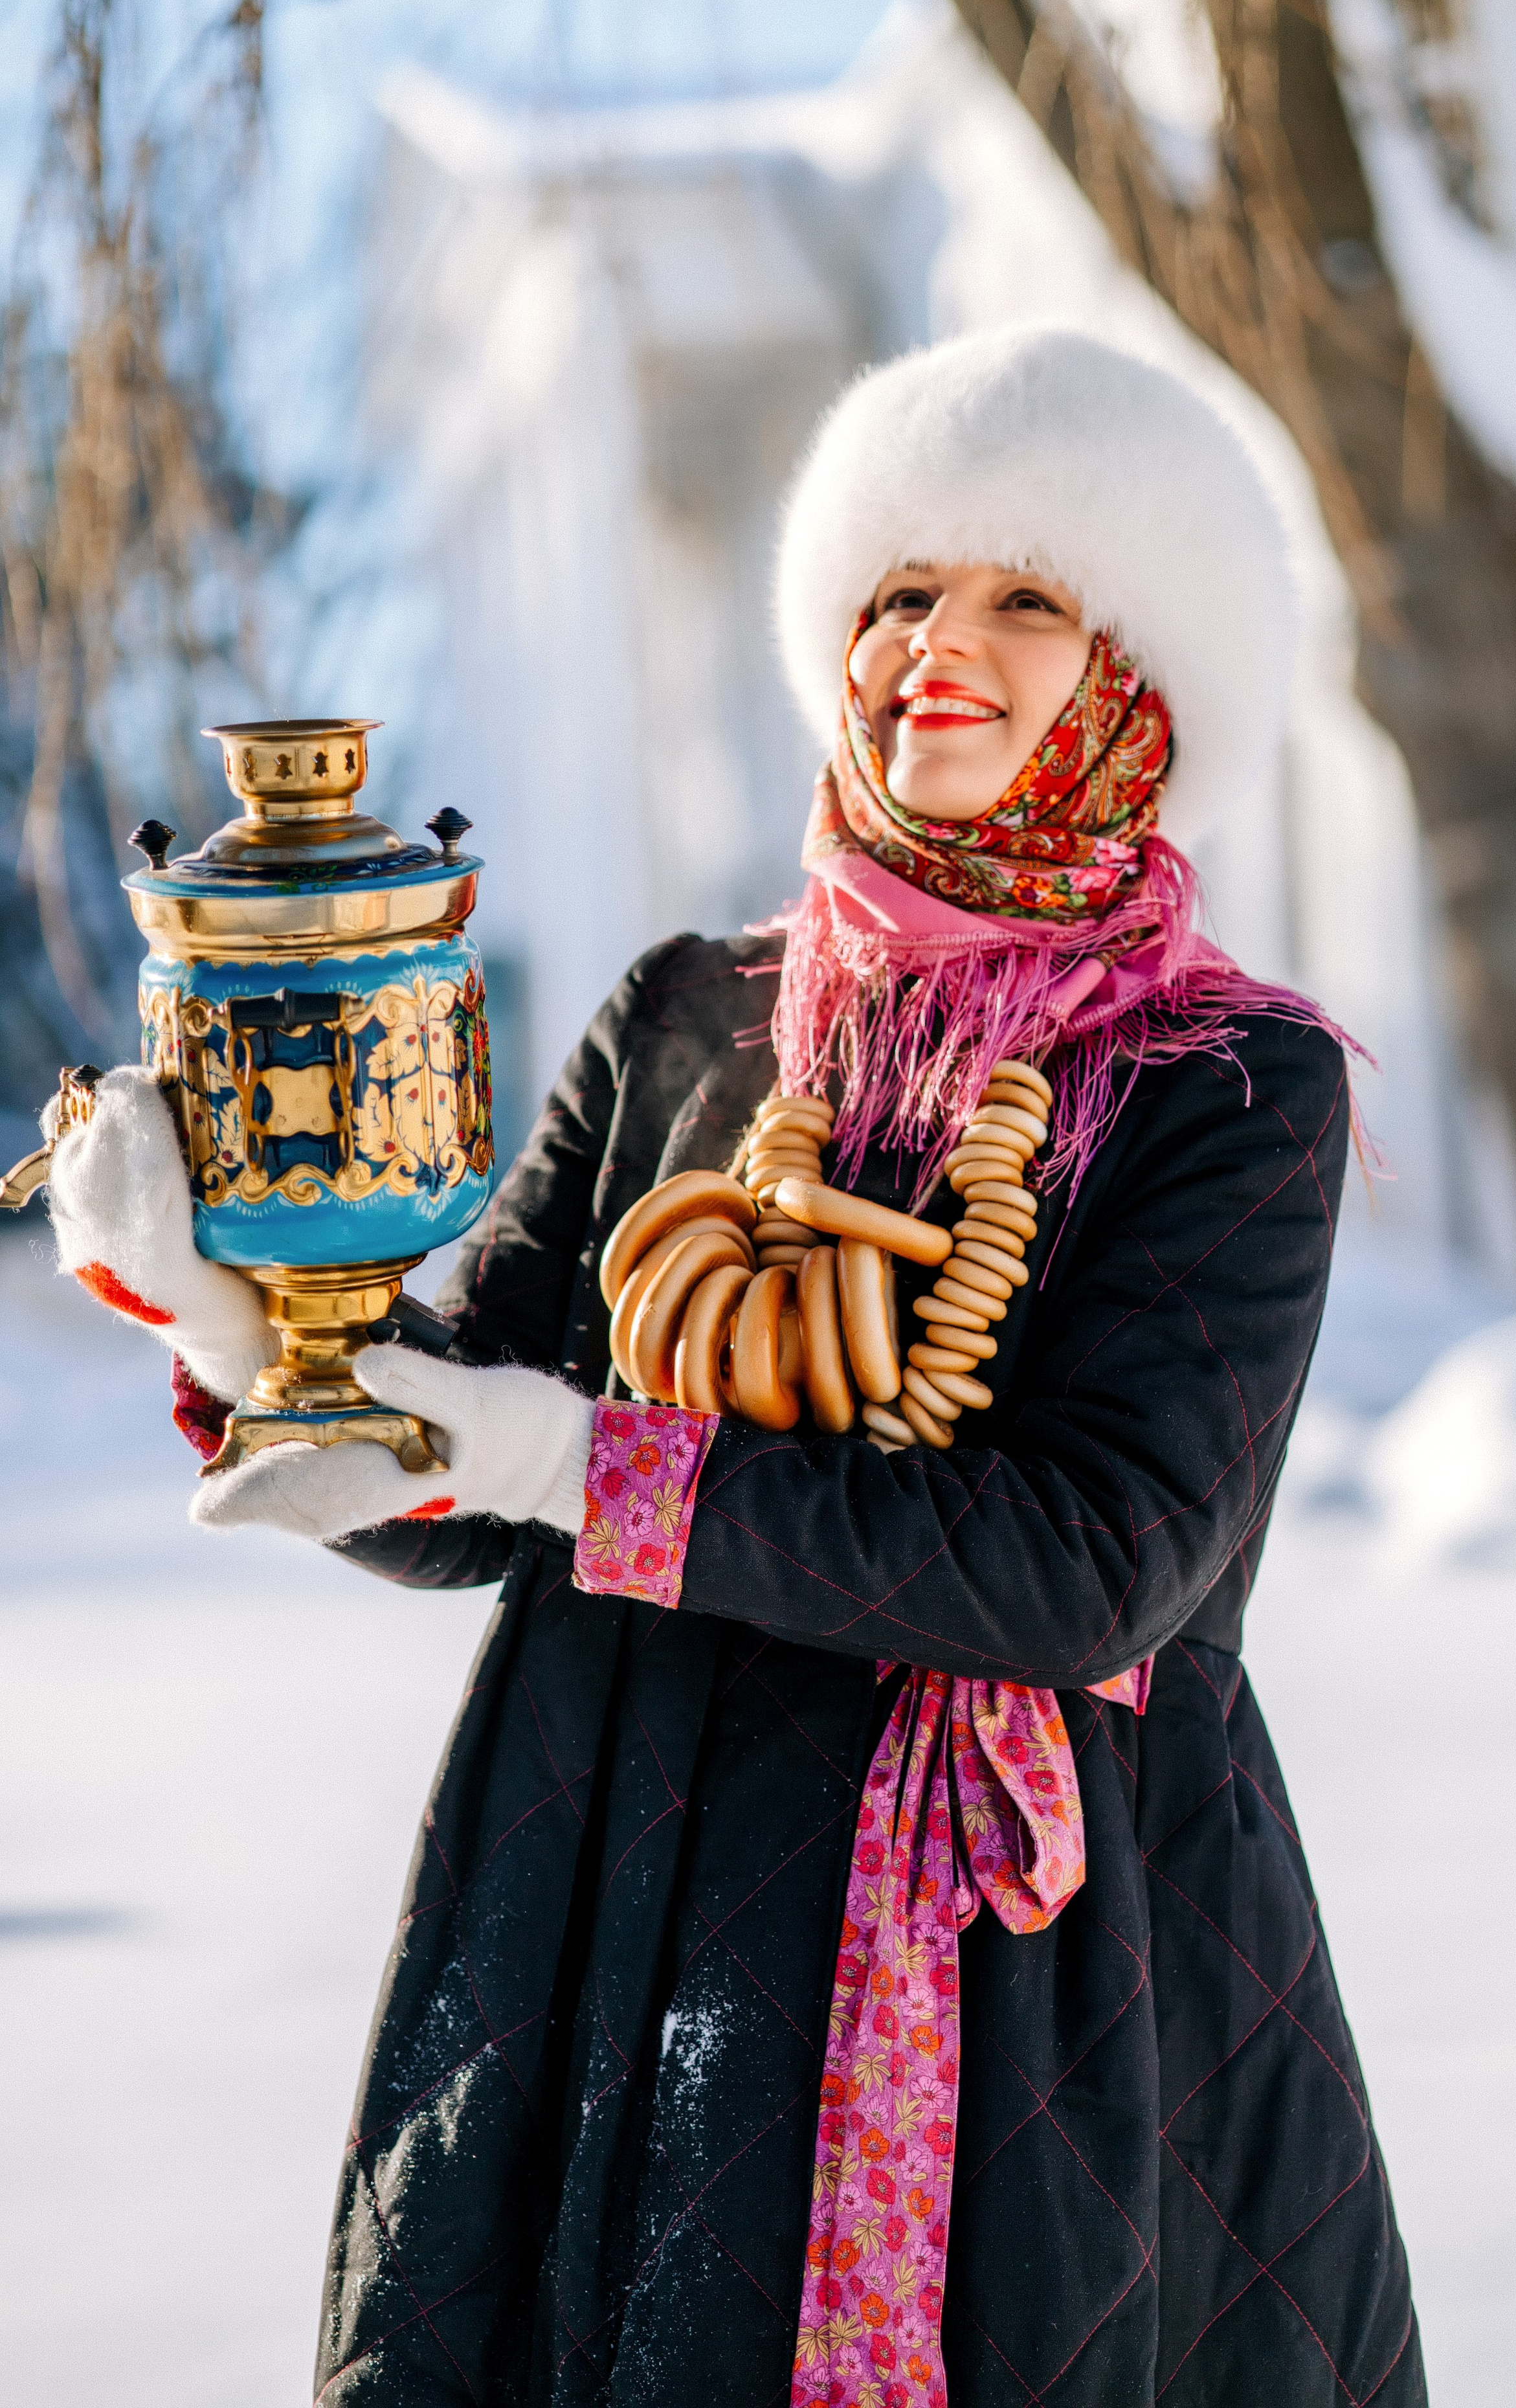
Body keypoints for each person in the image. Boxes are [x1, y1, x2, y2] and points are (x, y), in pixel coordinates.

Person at [47, 326, 1425, 2407]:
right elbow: (465, 1476)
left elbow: (1092, 1566)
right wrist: (237, 1316)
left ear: (1138, 681)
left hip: (1032, 1967)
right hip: (620, 1868)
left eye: (1027, 597)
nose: (936, 646)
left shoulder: (1230, 1083)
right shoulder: (691, 1013)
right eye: (899, 591)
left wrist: (569, 1463)